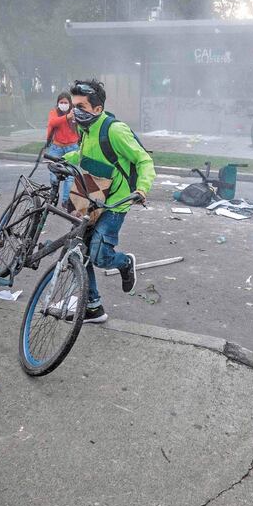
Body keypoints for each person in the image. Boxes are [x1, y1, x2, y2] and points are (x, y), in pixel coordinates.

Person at [63, 80, 155, 324]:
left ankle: (124, 262)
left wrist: (142, 189)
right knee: (78, 250)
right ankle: (93, 307)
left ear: (97, 108)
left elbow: (144, 160)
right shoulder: (86, 129)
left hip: (115, 203)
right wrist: (65, 159)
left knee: (99, 256)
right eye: (73, 105)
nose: (74, 111)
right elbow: (85, 157)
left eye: (81, 106)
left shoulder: (114, 130)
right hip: (90, 197)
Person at [45, 91, 79, 205]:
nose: (63, 104)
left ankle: (66, 201)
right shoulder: (54, 112)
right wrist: (66, 117)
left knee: (70, 176)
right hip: (56, 147)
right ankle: (53, 194)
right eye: (61, 102)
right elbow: (52, 122)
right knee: (53, 173)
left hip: (72, 147)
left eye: (66, 102)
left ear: (70, 103)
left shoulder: (75, 112)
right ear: (58, 103)